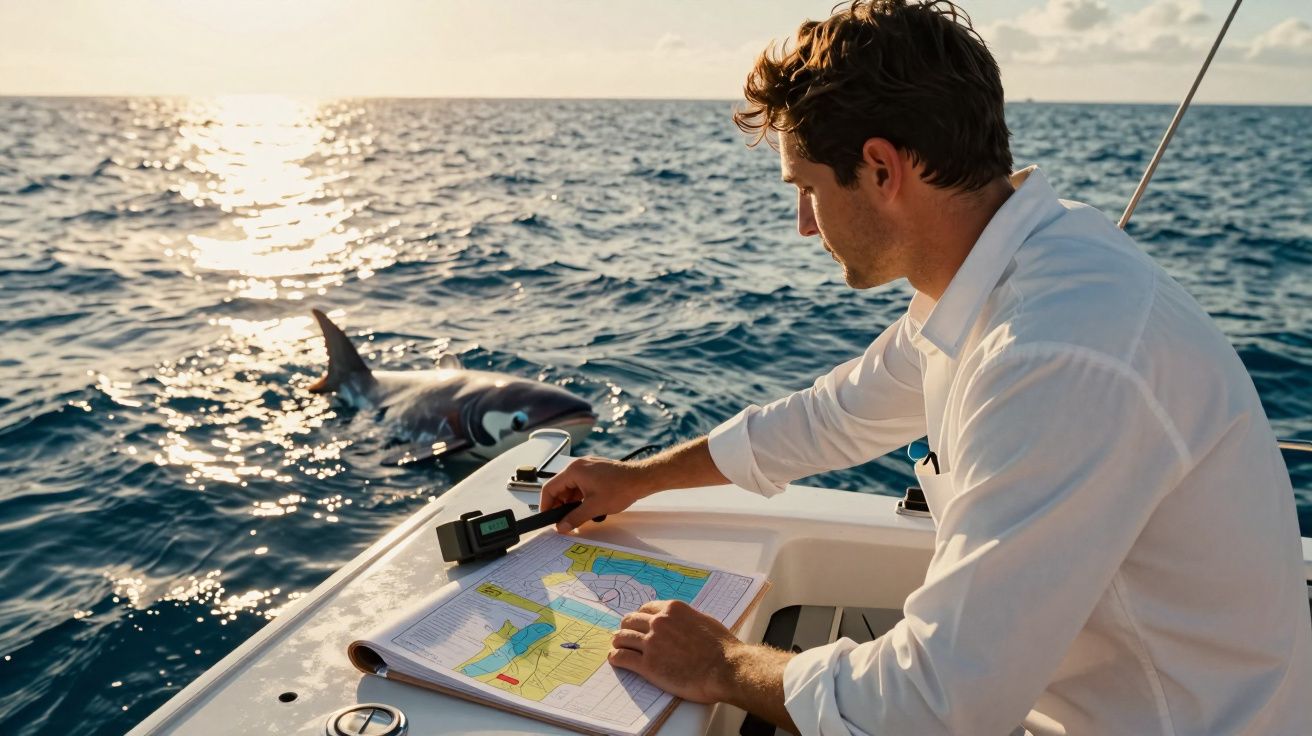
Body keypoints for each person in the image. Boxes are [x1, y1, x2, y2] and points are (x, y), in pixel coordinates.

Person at [539, 1, 1312, 733]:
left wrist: (725, 665)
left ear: (881, 170)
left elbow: (937, 709)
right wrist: (640, 478)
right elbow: (831, 416)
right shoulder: (1015, 272)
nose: (805, 227)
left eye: (807, 190)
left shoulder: (1055, 354)